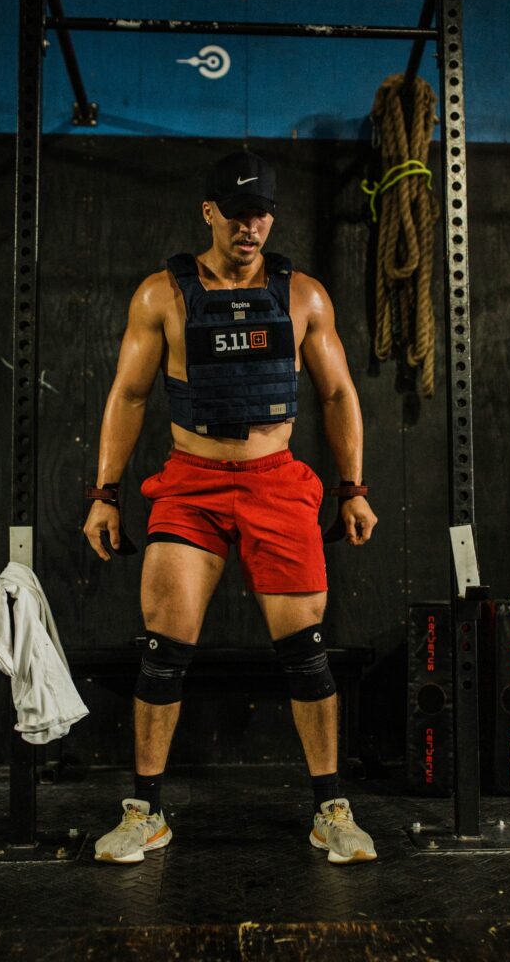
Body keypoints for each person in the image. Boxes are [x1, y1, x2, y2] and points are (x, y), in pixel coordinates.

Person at [84, 150, 378, 866]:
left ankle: (330, 811)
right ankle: (146, 812)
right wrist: (105, 494)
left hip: (277, 481)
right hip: (192, 482)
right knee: (163, 650)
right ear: (209, 212)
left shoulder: (303, 296)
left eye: (262, 214)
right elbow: (129, 395)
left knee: (306, 654)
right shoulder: (161, 295)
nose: (251, 227)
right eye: (238, 214)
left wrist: (352, 488)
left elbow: (338, 393)